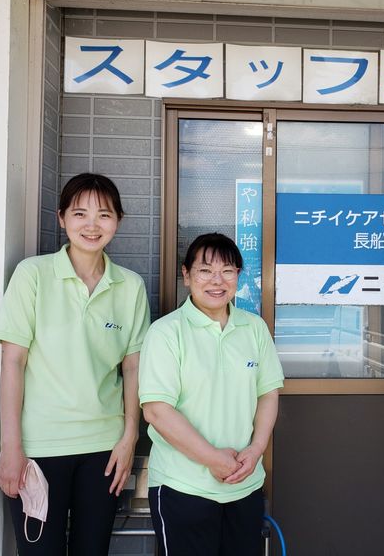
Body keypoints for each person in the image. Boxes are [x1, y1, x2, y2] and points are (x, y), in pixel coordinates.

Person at [0, 173, 151, 555]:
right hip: (39, 446)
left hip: (105, 449)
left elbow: (133, 368)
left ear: (118, 221)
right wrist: (10, 446)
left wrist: (129, 438)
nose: (92, 225)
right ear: (61, 218)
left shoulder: (130, 286)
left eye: (104, 215)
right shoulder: (32, 275)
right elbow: (12, 362)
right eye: (80, 213)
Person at [139, 233, 284, 556]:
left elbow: (268, 393)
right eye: (205, 271)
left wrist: (257, 449)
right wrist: (212, 458)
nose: (217, 281)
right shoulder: (166, 332)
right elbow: (157, 410)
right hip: (182, 486)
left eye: (227, 271)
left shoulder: (254, 328)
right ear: (186, 274)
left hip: (244, 485)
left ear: (238, 276)